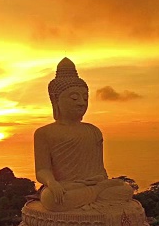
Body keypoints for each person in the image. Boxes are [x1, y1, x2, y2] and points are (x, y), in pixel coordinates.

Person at [35, 57, 134, 212]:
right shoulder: (44, 133)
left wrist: (99, 181)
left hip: (95, 186)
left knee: (124, 189)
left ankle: (94, 196)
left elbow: (100, 170)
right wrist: (52, 182)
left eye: (85, 98)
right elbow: (42, 169)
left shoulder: (93, 131)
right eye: (74, 97)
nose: (81, 102)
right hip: (68, 187)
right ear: (55, 99)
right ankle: (94, 197)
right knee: (50, 198)